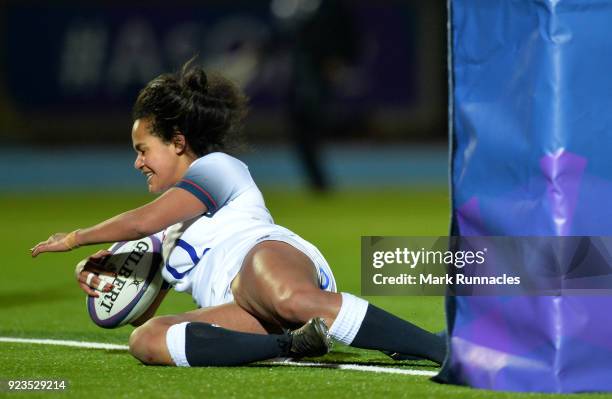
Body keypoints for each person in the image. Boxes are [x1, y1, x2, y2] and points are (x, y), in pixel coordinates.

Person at [31, 61, 445, 367]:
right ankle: (292, 345)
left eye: (143, 150)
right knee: (147, 339)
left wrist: (74, 239)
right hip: (236, 308)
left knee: (283, 295)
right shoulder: (164, 238)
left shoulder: (215, 168)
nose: (138, 163)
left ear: (177, 142)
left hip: (266, 260)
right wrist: (96, 271)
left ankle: (435, 346)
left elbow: (142, 221)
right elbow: (137, 304)